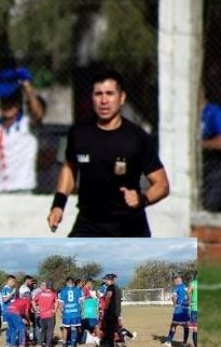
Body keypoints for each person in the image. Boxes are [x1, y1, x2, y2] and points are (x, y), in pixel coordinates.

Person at [48, 70, 170, 236]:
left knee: (138, 263)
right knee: (67, 262)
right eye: (98, 94)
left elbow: (162, 184)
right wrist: (58, 205)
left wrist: (142, 199)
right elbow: (70, 167)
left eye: (110, 94)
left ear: (122, 98)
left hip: (129, 224)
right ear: (92, 98)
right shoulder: (79, 133)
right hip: (89, 223)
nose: (104, 100)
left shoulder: (137, 137)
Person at [200, 92, 221, 211]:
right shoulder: (193, 116)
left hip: (215, 166)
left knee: (210, 204)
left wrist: (201, 145)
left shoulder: (213, 112)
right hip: (202, 166)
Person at [163, 274, 191, 347]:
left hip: (179, 309)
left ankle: (168, 341)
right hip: (185, 310)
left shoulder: (177, 288)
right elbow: (189, 298)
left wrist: (174, 304)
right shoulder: (186, 288)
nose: (174, 283)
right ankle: (184, 343)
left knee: (173, 325)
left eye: (175, 281)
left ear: (177, 281)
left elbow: (173, 297)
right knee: (186, 326)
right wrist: (188, 303)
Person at [58, 277, 83, 347]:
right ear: (72, 283)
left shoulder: (63, 290)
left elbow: (60, 304)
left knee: (65, 328)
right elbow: (81, 303)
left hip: (67, 313)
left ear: (66, 282)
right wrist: (80, 311)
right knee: (74, 328)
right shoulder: (78, 290)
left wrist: (62, 312)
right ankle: (72, 345)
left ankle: (64, 344)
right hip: (75, 313)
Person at [33, 280, 57, 347]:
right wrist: (55, 310)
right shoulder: (53, 294)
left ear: (46, 286)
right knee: (50, 330)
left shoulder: (40, 293)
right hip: (50, 315)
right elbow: (56, 302)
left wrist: (36, 309)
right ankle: (48, 345)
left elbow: (33, 300)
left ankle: (40, 345)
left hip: (42, 315)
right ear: (52, 286)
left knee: (43, 330)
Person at [99, 274, 121, 347]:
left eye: (106, 280)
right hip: (117, 311)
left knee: (109, 328)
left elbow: (108, 298)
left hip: (111, 311)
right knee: (114, 327)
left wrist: (106, 308)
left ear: (109, 279)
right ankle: (105, 342)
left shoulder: (110, 287)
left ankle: (110, 345)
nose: (105, 281)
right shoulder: (117, 287)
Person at [188, 274, 198, 347]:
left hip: (194, 308)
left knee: (195, 330)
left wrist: (190, 301)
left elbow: (188, 293)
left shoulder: (193, 283)